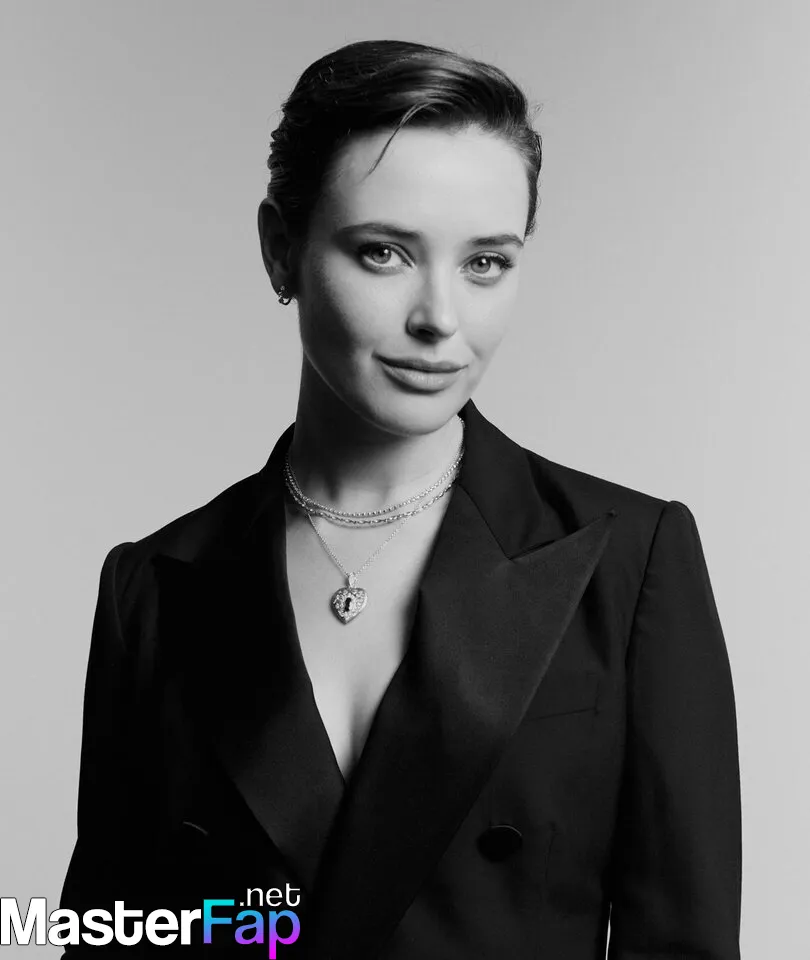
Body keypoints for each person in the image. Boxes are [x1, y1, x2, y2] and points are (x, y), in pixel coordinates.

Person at [60, 39, 742, 959]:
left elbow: (686, 940)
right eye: (383, 253)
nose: (440, 319)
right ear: (281, 250)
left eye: (486, 263)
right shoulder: (153, 587)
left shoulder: (627, 560)